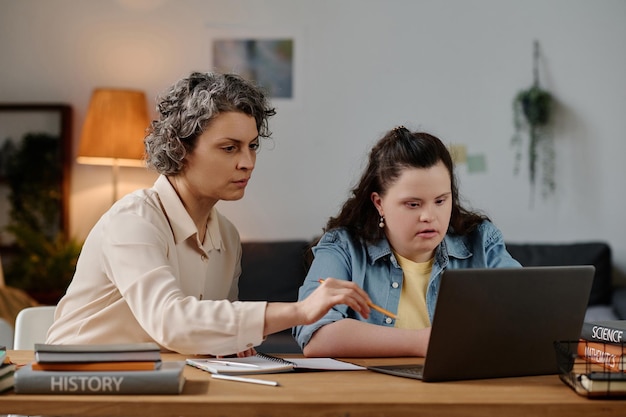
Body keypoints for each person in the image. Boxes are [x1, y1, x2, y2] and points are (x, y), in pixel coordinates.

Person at [46, 72, 372, 356]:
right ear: (180, 148)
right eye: (229, 148)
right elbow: (171, 322)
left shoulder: (227, 237)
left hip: (156, 387)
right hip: (74, 389)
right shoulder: (134, 220)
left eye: (252, 146)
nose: (247, 162)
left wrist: (226, 341)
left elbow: (207, 330)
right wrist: (300, 311)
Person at [293, 126, 521, 357]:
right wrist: (421, 342)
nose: (429, 216)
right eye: (413, 204)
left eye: (440, 201)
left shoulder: (481, 240)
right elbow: (316, 335)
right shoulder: (343, 248)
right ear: (379, 203)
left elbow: (529, 311)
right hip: (371, 391)